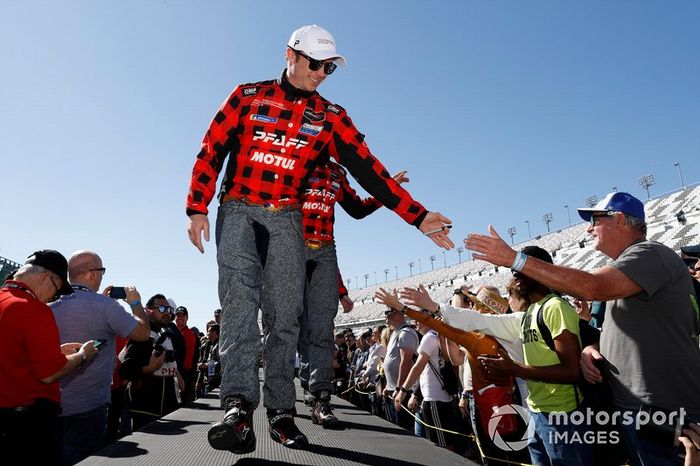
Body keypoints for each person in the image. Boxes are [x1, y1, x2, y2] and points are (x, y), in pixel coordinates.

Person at [186, 23, 453, 453]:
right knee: (239, 306)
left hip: (288, 218)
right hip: (238, 208)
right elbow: (210, 149)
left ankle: (280, 412)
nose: (322, 73)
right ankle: (236, 408)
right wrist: (197, 206)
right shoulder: (246, 96)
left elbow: (370, 169)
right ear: (289, 55)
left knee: (284, 316)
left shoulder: (331, 116)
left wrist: (417, 216)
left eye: (330, 67)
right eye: (316, 63)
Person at [466, 192, 700, 465]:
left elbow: (593, 286)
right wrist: (593, 348)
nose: (589, 228)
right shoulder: (632, 268)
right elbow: (638, 331)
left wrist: (515, 260)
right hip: (641, 410)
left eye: (594, 220)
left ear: (619, 219)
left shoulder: (649, 254)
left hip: (665, 413)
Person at [298, 161, 407, 429]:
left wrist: (388, 188)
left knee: (322, 332)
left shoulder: (337, 171)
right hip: (290, 249)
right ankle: (290, 395)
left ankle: (321, 397)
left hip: (323, 248)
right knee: (296, 332)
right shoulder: (294, 157)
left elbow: (357, 208)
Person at [50, 250, 150, 465]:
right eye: (102, 271)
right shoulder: (107, 306)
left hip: (51, 404)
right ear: (93, 274)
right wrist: (135, 303)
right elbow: (142, 334)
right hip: (89, 405)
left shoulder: (49, 306)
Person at [0, 250, 98, 466]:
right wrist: (82, 355)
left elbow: (13, 352)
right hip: (26, 425)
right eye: (56, 290)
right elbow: (50, 373)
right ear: (47, 278)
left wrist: (55, 351)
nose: (54, 298)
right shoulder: (34, 309)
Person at [119, 294, 183, 431]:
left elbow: (169, 361)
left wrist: (177, 375)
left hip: (168, 407)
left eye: (169, 310)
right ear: (148, 311)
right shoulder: (142, 335)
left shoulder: (167, 332)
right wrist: (149, 368)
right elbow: (125, 370)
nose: (167, 312)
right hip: (145, 408)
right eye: (161, 308)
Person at [382, 305, 420, 431]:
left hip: (404, 391)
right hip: (395, 389)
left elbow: (406, 361)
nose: (385, 315)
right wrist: (389, 386)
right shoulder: (395, 332)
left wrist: (399, 388)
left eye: (388, 312)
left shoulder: (406, 332)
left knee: (405, 429)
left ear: (397, 313)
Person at [174, 306, 198, 405]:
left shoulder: (189, 334)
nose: (180, 317)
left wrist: (181, 375)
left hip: (184, 374)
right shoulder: (172, 332)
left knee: (183, 406)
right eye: (178, 315)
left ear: (187, 318)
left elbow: (189, 359)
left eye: (182, 315)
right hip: (174, 373)